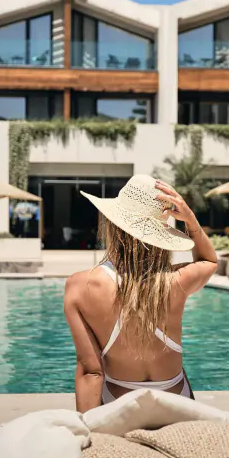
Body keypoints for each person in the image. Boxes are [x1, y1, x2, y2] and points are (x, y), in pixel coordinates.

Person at [64, 175, 217, 413]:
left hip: (120, 404)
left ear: (114, 227)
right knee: (181, 377)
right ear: (160, 236)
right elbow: (209, 260)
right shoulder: (175, 281)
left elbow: (90, 371)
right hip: (175, 403)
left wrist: (90, 433)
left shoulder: (79, 285)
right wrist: (190, 220)